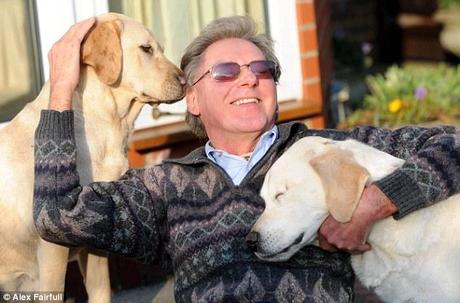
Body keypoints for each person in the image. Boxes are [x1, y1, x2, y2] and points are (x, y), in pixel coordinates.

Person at [34, 15, 459, 302]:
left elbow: (453, 145)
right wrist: (61, 91)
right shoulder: (162, 187)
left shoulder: (330, 150)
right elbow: (57, 215)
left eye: (261, 69)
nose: (248, 79)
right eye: (225, 72)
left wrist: (376, 201)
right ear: (194, 98)